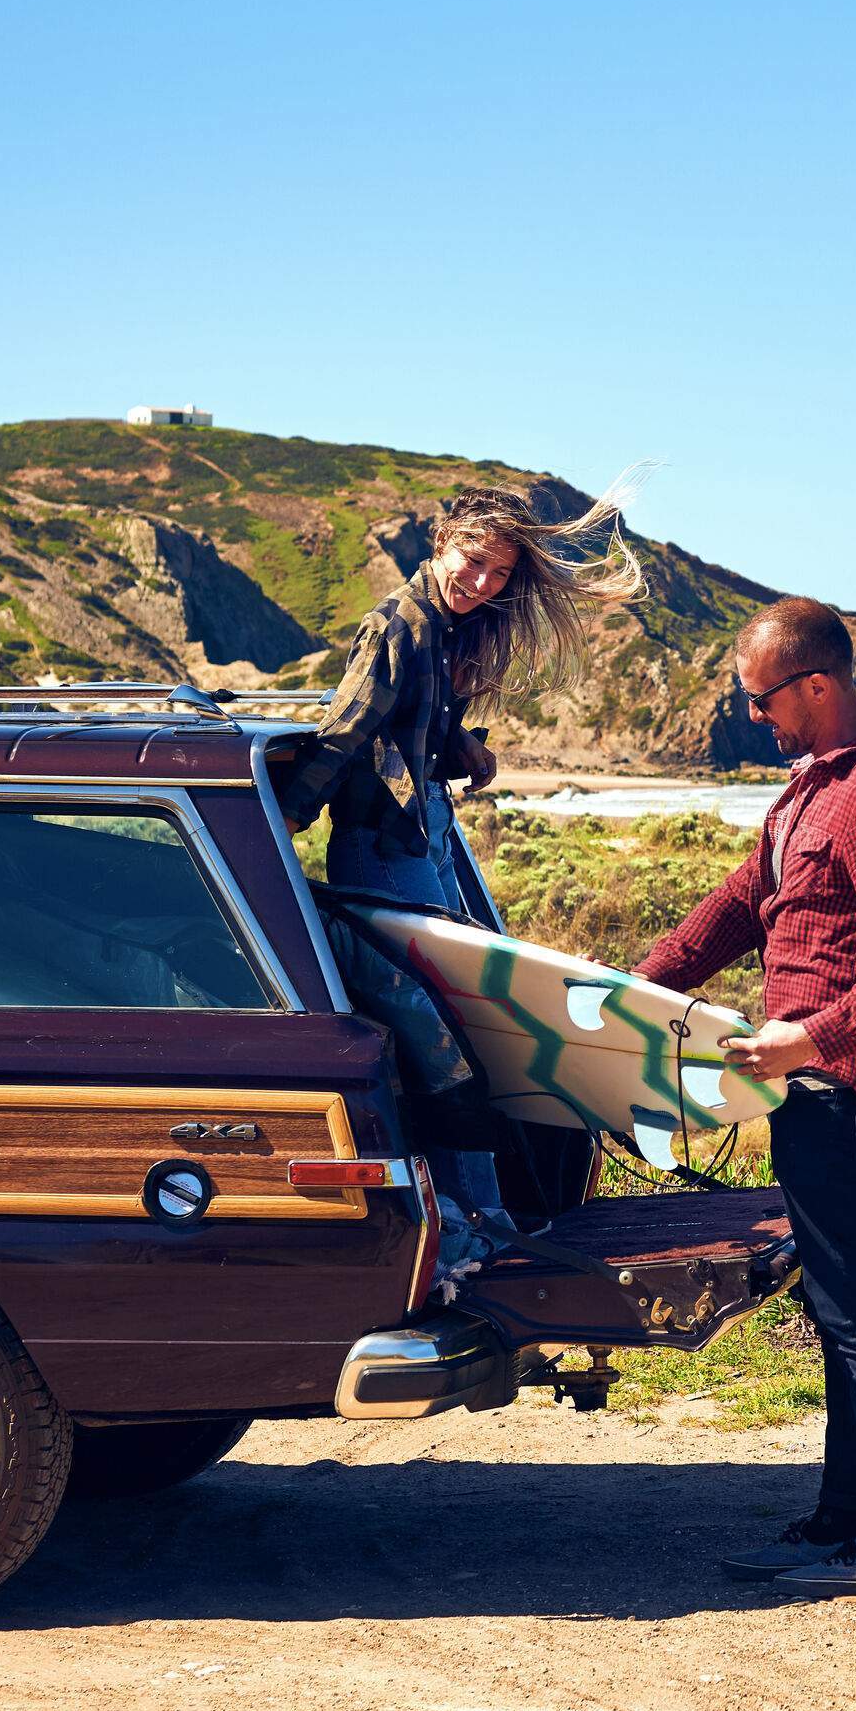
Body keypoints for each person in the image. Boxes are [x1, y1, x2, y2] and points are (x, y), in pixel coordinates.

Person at [635, 598, 856, 1597]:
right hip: (809, 1087)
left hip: (841, 1089)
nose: (753, 716)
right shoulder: (806, 793)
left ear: (815, 686)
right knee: (837, 1304)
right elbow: (741, 904)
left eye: (761, 699)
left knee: (855, 1310)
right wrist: (633, 995)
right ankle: (842, 1521)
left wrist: (815, 1038)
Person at [282, 481, 640, 1240]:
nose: (481, 582)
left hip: (425, 833)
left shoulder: (442, 628)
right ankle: (474, 1217)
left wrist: (460, 746)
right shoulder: (396, 628)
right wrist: (285, 816)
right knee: (438, 1033)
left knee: (467, 1015)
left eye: (499, 574)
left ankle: (493, 1207)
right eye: (473, 562)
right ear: (440, 541)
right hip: (384, 846)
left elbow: (406, 724)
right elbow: (345, 733)